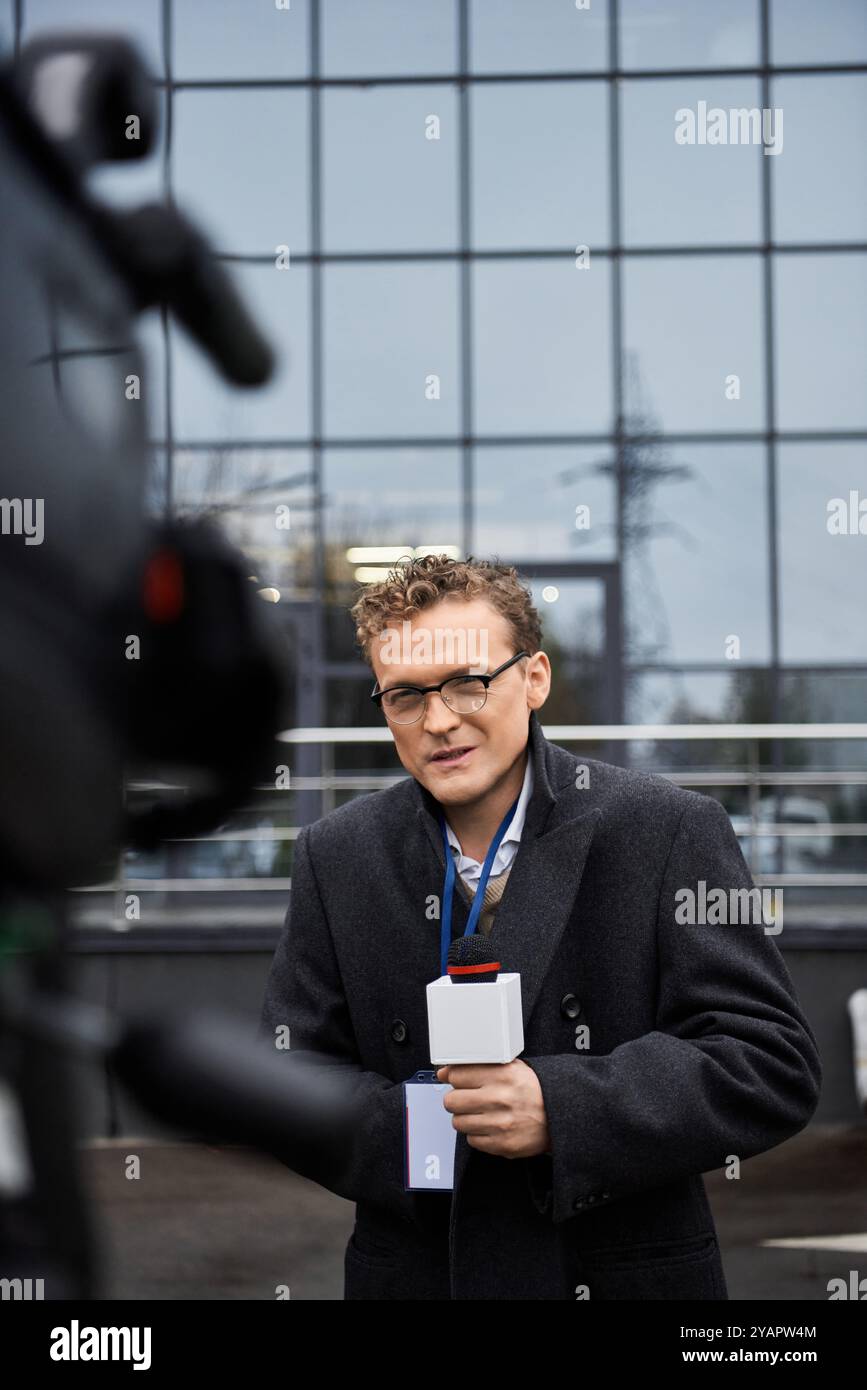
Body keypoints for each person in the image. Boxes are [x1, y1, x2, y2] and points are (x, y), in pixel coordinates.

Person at [259, 554, 821, 1300]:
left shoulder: (669, 829)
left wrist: (561, 1107)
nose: (437, 721)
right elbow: (288, 1076)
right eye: (404, 696)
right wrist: (428, 1135)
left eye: (467, 683)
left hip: (615, 1275)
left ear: (534, 679)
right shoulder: (338, 853)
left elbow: (769, 1063)